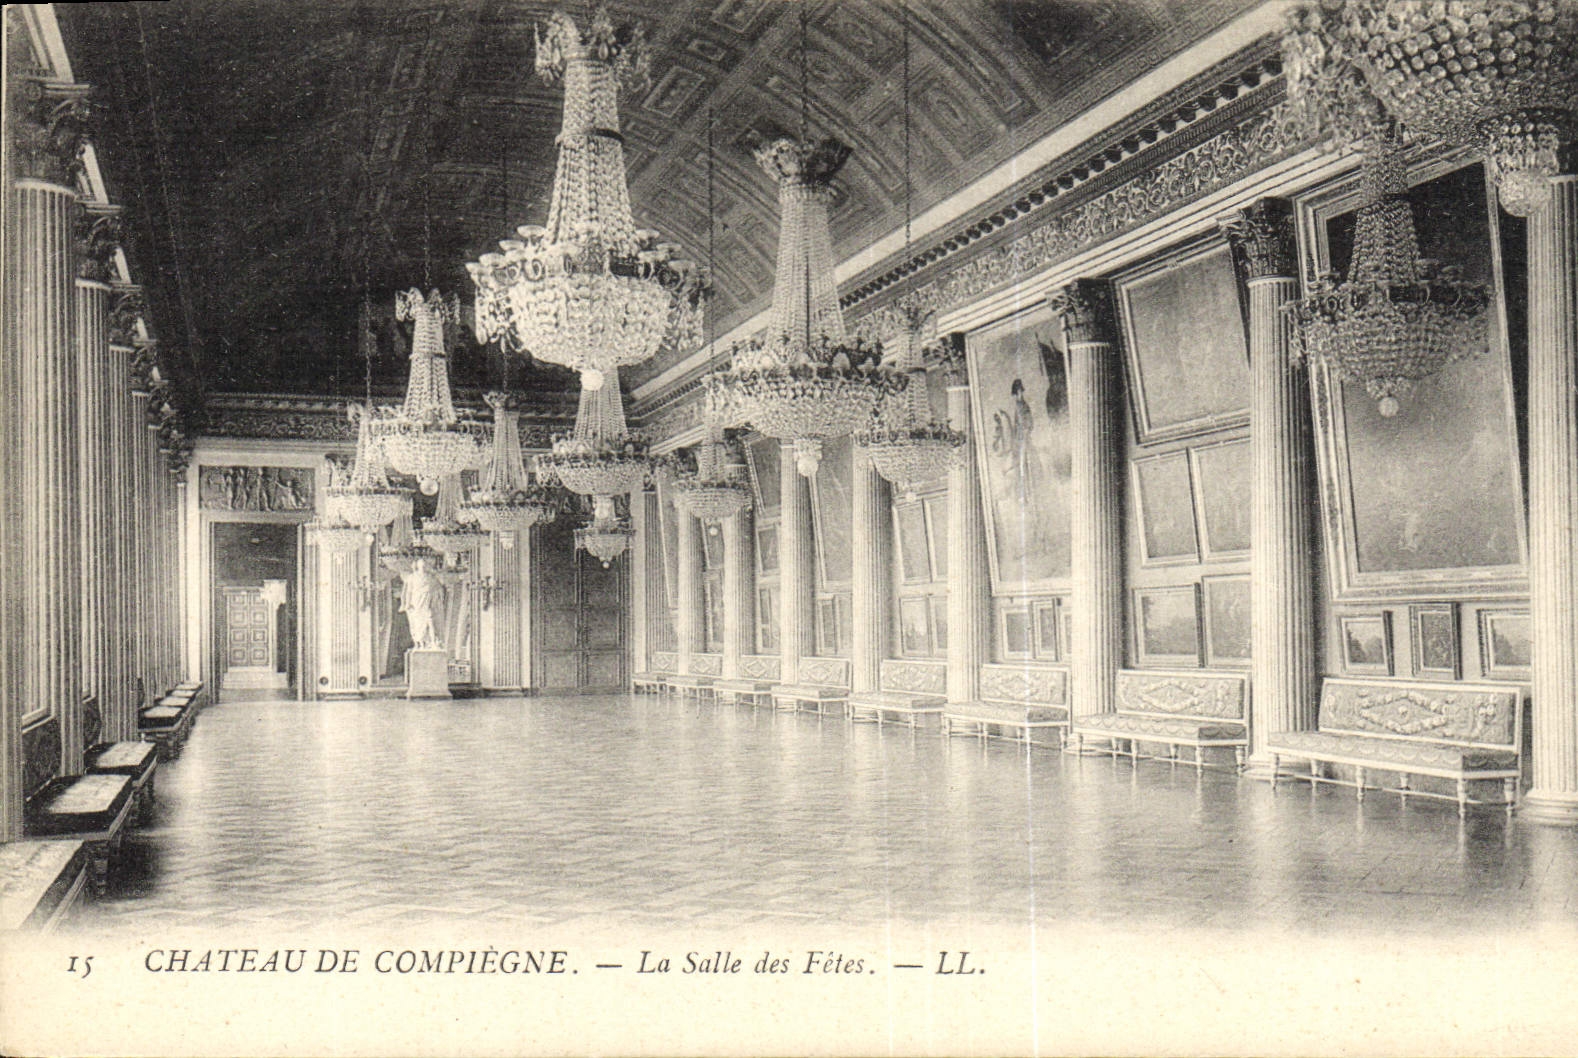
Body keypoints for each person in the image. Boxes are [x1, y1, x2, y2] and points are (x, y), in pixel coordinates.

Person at [401, 559, 445, 649]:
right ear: (418, 566)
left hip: (427, 601)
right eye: (421, 565)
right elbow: (408, 592)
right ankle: (421, 643)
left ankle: (433, 642)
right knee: (418, 622)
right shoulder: (412, 577)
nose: (423, 567)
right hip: (416, 602)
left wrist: (438, 598)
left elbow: (438, 587)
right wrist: (408, 603)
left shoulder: (430, 577)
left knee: (430, 619)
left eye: (424, 565)